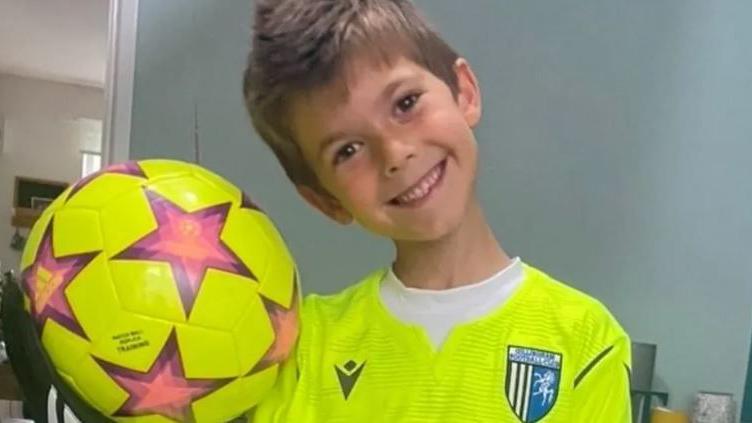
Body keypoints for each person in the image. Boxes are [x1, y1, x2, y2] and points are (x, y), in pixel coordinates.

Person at [243, 0, 632, 421]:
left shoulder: (587, 340)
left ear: (464, 91)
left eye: (406, 103)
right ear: (327, 200)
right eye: (348, 150)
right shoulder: (300, 347)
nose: (394, 154)